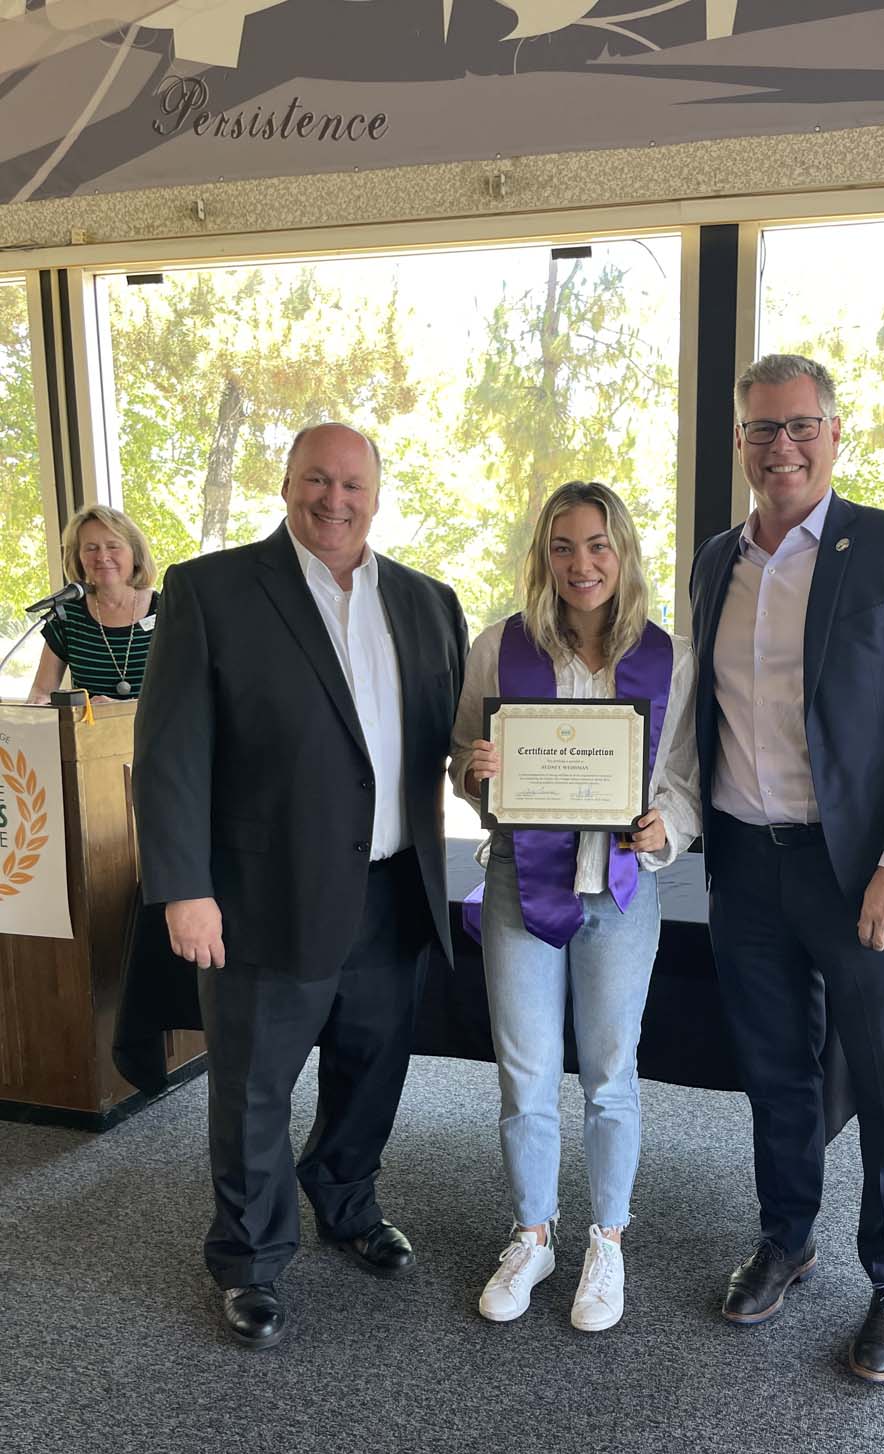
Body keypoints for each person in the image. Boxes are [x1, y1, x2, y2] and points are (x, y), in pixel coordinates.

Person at [132, 422, 467, 1350]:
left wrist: (490, 771)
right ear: (286, 485)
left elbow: (435, 746)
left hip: (395, 892)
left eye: (352, 483)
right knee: (252, 1090)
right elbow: (169, 756)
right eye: (316, 480)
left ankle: (346, 1199)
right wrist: (182, 888)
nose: (334, 499)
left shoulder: (429, 602)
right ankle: (249, 1258)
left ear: (376, 491)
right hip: (257, 897)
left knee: (373, 1071)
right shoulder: (212, 590)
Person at [690, 354, 884, 1383]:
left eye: (802, 426)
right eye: (764, 430)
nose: (783, 446)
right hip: (746, 866)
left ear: (835, 433)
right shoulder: (715, 559)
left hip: (863, 873)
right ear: (741, 444)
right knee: (776, 1073)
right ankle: (786, 1235)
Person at [450, 480, 700, 1332]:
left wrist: (668, 823)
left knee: (609, 1074)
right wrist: (474, 773)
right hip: (525, 882)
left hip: (622, 895)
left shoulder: (670, 658)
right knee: (524, 1075)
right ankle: (532, 1235)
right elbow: (461, 762)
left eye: (597, 546)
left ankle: (607, 1240)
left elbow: (687, 783)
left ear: (622, 552)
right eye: (563, 547)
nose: (581, 564)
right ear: (543, 557)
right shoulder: (499, 648)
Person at [28, 505, 158, 703]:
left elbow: (187, 695)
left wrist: (117, 711)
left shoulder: (167, 610)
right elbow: (41, 691)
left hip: (156, 733)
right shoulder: (66, 616)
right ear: (78, 558)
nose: (102, 557)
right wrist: (39, 704)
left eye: (113, 546)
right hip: (89, 733)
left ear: (135, 553)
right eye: (91, 548)